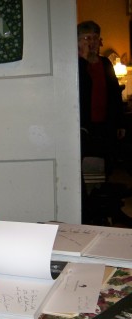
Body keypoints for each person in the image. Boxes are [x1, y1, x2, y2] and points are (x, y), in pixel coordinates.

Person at [77, 20, 127, 223]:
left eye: (95, 38)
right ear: (78, 41)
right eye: (87, 38)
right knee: (87, 171)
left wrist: (120, 123)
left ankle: (108, 208)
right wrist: (83, 60)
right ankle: (90, 213)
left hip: (105, 126)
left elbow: (115, 94)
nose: (92, 42)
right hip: (84, 127)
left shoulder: (106, 63)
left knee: (105, 169)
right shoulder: (74, 64)